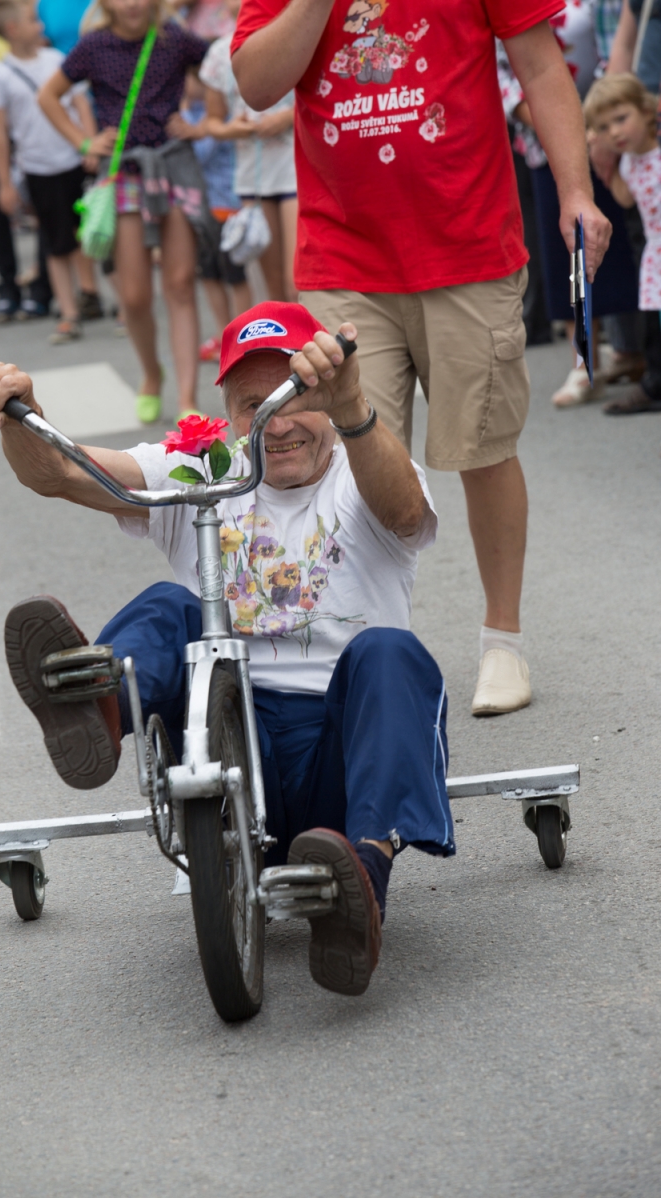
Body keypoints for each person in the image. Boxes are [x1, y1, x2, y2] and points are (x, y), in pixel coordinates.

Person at [0, 301, 454, 997]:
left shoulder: (362, 465)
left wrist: (353, 409)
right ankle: (99, 708)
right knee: (172, 606)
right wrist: (19, 411)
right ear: (226, 412)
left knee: (390, 653)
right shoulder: (204, 469)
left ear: (329, 399)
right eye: (254, 405)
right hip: (231, 743)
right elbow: (61, 474)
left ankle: (360, 888)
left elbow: (405, 513)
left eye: (296, 396)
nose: (276, 423)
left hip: (344, 761)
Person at [230, 0, 613, 716]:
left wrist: (576, 193)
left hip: (468, 242)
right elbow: (255, 83)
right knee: (349, 458)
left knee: (483, 447)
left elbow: (539, 63)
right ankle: (368, 651)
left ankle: (503, 641)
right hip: (343, 254)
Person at [38, 0, 212, 423]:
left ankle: (188, 398)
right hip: (126, 173)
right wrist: (83, 142)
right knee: (133, 296)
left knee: (181, 283)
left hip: (173, 165)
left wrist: (203, 121)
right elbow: (49, 96)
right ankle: (152, 374)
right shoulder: (93, 46)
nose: (132, 4)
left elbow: (222, 69)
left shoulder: (175, 40)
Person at [497, 3, 640, 408]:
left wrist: (599, 125)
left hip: (609, 128)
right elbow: (501, 71)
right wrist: (552, 122)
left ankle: (636, 353)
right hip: (543, 141)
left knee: (632, 248)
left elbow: (612, 48)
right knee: (571, 259)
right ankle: (583, 360)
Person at [0, 0, 98, 344]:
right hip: (37, 167)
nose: (42, 26)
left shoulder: (56, 61)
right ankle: (69, 312)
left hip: (75, 160)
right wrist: (4, 183)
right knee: (56, 241)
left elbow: (79, 103)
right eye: (33, 20)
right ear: (13, 29)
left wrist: (88, 144)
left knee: (92, 233)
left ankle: (94, 295)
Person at [199, 0, 298, 303]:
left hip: (295, 170)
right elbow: (212, 122)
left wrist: (286, 117)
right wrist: (234, 129)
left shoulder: (295, 35)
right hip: (253, 178)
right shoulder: (218, 54)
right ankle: (285, 348)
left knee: (299, 282)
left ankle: (312, 343)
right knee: (274, 287)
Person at [168, 68, 253, 361]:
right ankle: (222, 334)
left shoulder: (214, 114)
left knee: (234, 274)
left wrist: (192, 126)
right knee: (210, 274)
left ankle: (244, 337)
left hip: (226, 204)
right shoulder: (189, 114)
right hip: (199, 209)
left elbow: (200, 153)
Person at [585, 73, 661, 369]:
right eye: (603, 127)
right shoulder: (628, 162)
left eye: (620, 119)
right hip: (655, 253)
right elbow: (625, 198)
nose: (614, 132)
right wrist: (609, 163)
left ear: (645, 111)